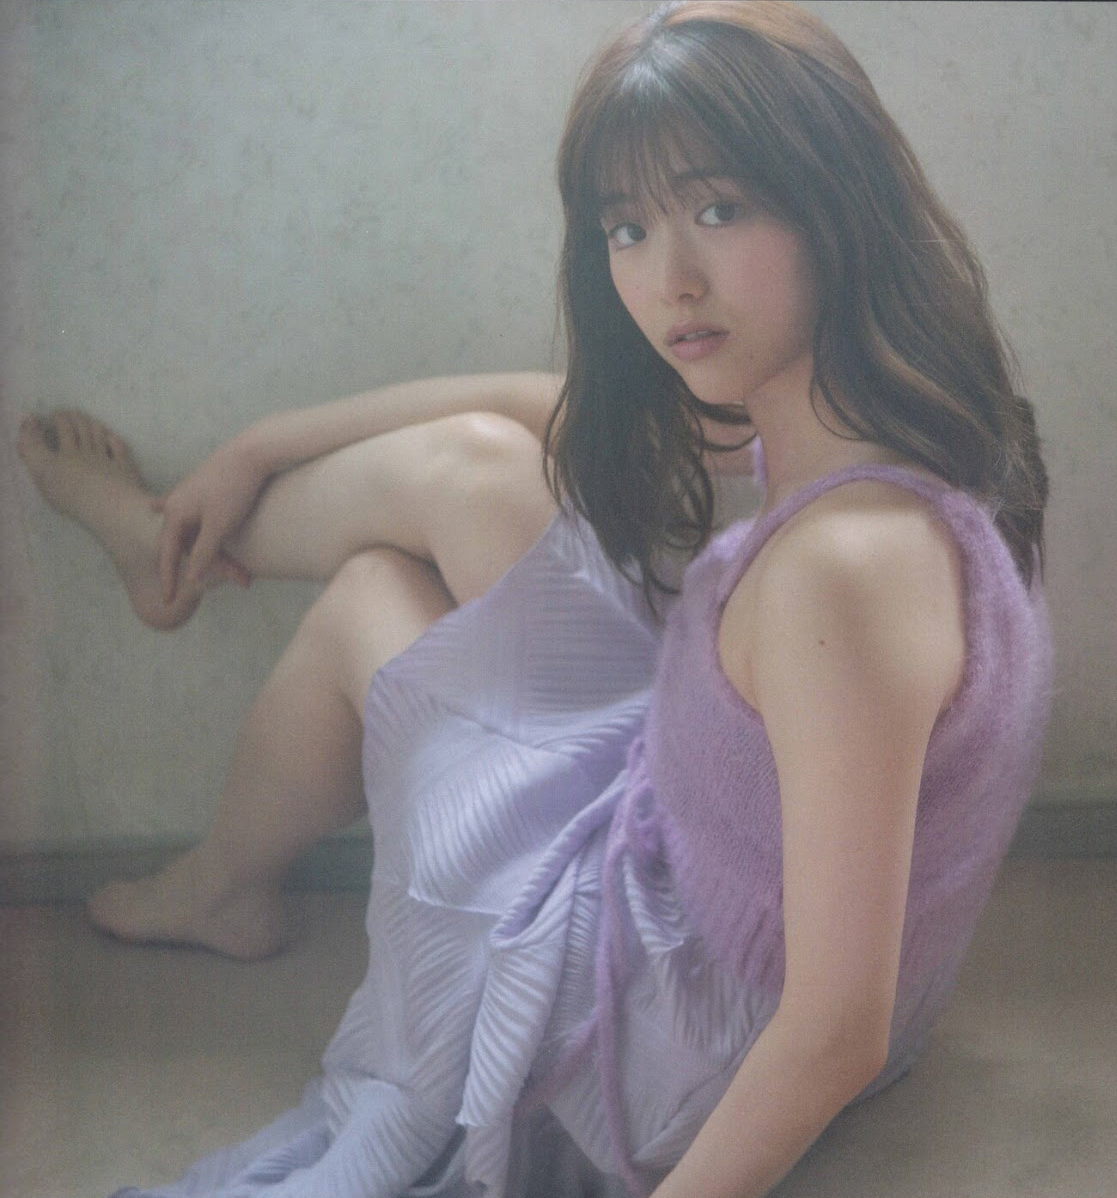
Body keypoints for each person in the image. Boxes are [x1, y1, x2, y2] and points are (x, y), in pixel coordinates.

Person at [17, 3, 1052, 1196]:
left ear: (835, 199)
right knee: (477, 465)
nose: (671, 280)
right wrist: (263, 443)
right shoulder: (895, 409)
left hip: (663, 1022)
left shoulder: (845, 571)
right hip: (715, 849)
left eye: (720, 209)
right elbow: (560, 408)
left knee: (371, 595)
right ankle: (172, 550)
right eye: (628, 228)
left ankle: (217, 872)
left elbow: (831, 1034)